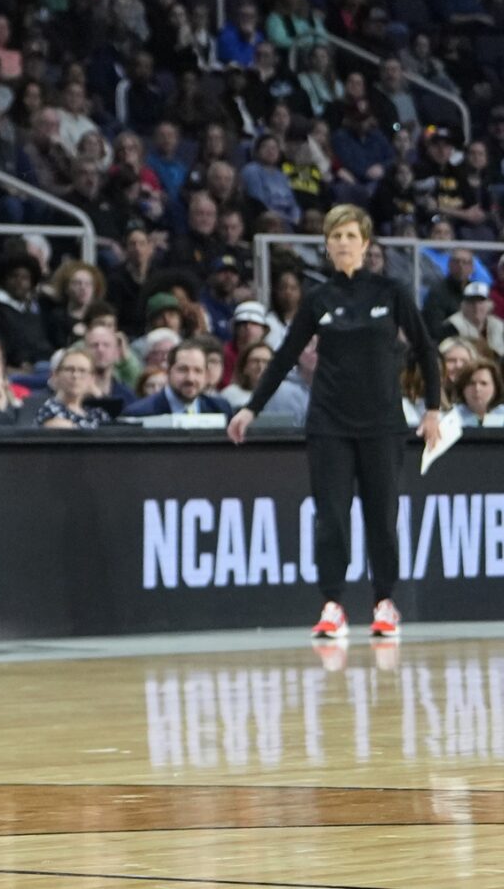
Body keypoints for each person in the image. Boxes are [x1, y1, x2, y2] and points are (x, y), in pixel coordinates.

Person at [231, 205, 441, 643]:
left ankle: (385, 602)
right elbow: (285, 354)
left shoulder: (392, 291)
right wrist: (251, 407)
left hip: (383, 422)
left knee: (382, 516)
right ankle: (332, 605)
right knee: (331, 517)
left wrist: (433, 410)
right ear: (327, 246)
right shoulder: (319, 299)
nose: (343, 243)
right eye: (335, 237)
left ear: (365, 243)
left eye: (350, 235)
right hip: (329, 422)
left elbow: (425, 349)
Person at [123, 340, 236, 421]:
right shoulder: (139, 414)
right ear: (168, 372)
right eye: (183, 370)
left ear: (206, 375)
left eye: (198, 371)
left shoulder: (220, 409)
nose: (190, 378)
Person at [36, 345, 107, 428]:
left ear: (92, 378)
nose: (75, 375)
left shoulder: (97, 414)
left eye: (82, 370)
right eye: (69, 369)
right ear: (56, 375)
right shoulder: (49, 411)